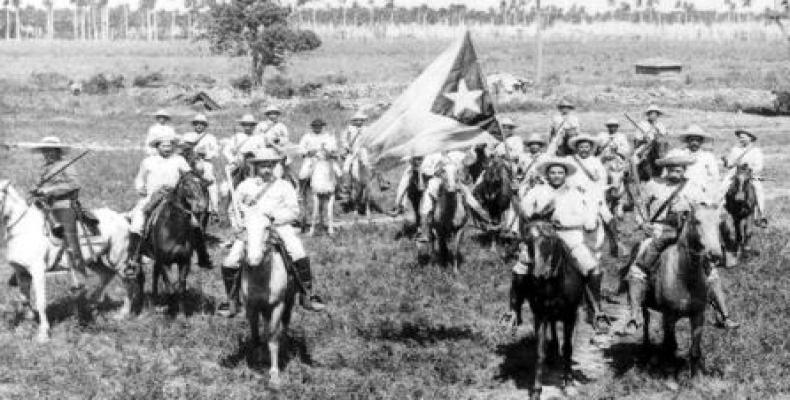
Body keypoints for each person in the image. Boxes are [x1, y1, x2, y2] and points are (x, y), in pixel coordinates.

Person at [625, 149, 740, 330]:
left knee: (710, 271)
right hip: (659, 229)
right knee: (638, 266)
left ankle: (723, 314)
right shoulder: (653, 185)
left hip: (687, 232)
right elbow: (639, 206)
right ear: (666, 169)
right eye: (672, 168)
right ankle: (634, 314)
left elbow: (705, 209)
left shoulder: (693, 187)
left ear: (684, 170)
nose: (675, 172)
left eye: (679, 169)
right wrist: (643, 224)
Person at [219, 147, 326, 317]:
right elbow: (233, 210)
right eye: (262, 166)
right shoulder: (245, 186)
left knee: (297, 251)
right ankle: (231, 301)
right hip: (251, 229)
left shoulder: (283, 186)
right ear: (255, 167)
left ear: (275, 166)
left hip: (278, 227)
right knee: (230, 261)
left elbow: (294, 211)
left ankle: (307, 295)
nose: (266, 169)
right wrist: (238, 226)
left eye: (270, 165)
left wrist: (274, 217)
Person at [509, 156, 609, 333]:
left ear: (565, 175)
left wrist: (565, 221)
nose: (556, 176)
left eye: (560, 172)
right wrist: (521, 199)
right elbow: (525, 211)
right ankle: (513, 312)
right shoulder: (537, 191)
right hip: (541, 235)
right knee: (521, 267)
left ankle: (597, 310)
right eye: (553, 172)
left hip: (570, 236)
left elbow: (587, 219)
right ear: (547, 174)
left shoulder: (576, 192)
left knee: (592, 267)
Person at [127, 131, 192, 273]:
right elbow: (139, 179)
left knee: (194, 223)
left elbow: (189, 176)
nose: (167, 148)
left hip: (174, 197)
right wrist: (140, 188)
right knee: (137, 223)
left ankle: (198, 254)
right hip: (152, 196)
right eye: (163, 145)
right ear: (157, 146)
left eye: (169, 145)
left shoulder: (179, 160)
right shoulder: (148, 161)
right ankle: (133, 258)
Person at [28, 137, 89, 278]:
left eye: (49, 151)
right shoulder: (44, 169)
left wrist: (50, 190)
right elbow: (37, 185)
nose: (46, 154)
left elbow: (74, 184)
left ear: (57, 151)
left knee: (69, 234)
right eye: (44, 151)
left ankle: (78, 270)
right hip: (45, 206)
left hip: (64, 204)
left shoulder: (66, 165)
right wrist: (35, 189)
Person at [418, 151, 492, 242]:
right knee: (428, 199)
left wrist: (467, 160)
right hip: (437, 181)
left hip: (454, 181)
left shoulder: (454, 154)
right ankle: (425, 230)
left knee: (469, 196)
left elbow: (468, 161)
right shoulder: (431, 155)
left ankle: (484, 219)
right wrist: (436, 171)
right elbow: (424, 169)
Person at [721, 129, 767, 226]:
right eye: (740, 137)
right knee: (723, 186)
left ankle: (761, 215)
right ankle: (720, 209)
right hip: (735, 174)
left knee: (758, 189)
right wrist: (726, 161)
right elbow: (730, 164)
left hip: (750, 175)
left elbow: (759, 166)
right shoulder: (735, 149)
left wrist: (749, 169)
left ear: (750, 138)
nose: (741, 139)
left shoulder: (756, 151)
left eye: (743, 137)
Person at [297, 119, 342, 196]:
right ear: (312, 127)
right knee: (303, 174)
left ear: (322, 126)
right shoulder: (307, 136)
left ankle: (339, 191)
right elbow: (300, 148)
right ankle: (301, 191)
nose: (317, 128)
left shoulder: (328, 136)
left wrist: (329, 151)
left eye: (319, 126)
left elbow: (333, 147)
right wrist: (308, 152)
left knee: (338, 172)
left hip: (326, 159)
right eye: (315, 126)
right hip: (312, 158)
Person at [677, 125, 720, 198]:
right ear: (687, 141)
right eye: (692, 140)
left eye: (697, 140)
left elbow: (714, 177)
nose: (695, 143)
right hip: (681, 190)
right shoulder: (679, 153)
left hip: (701, 191)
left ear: (701, 142)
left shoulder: (708, 156)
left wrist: (708, 189)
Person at [222, 114, 259, 188]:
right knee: (230, 185)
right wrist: (233, 160)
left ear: (253, 126)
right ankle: (231, 196)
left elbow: (262, 152)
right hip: (240, 163)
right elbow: (226, 150)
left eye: (250, 125)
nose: (248, 127)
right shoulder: (237, 137)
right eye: (246, 125)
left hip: (255, 163)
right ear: (243, 125)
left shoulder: (258, 137)